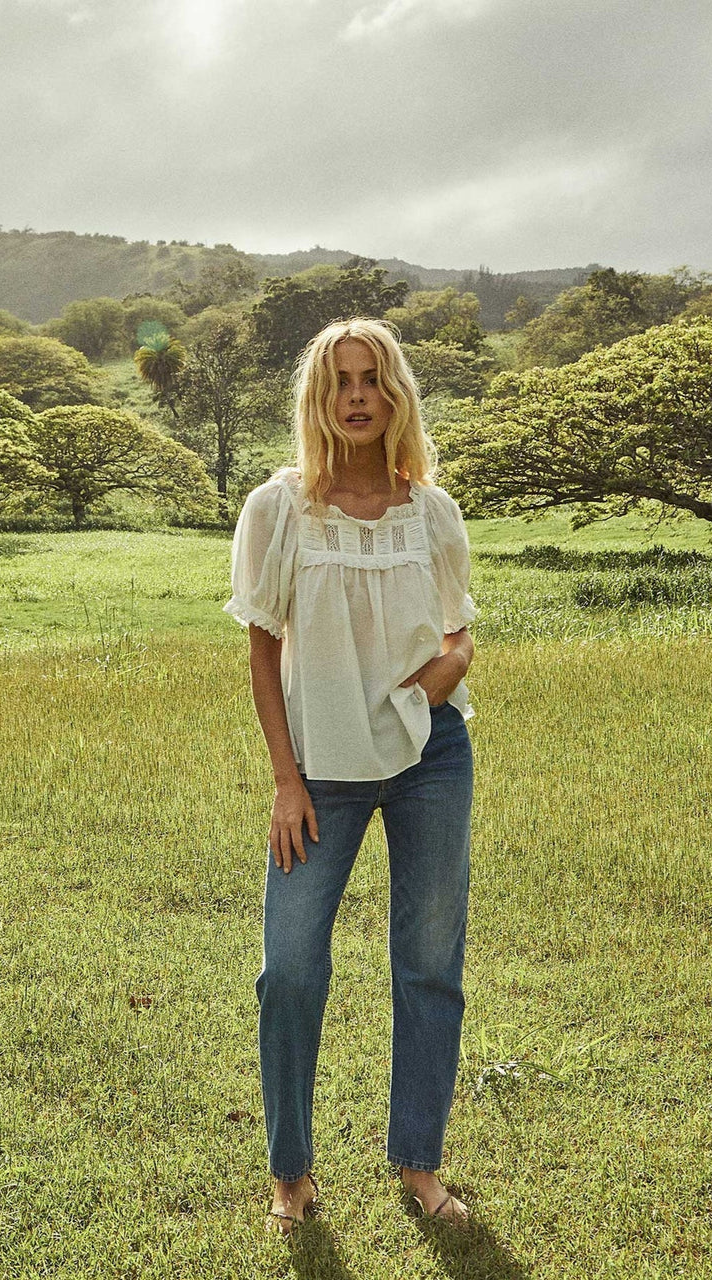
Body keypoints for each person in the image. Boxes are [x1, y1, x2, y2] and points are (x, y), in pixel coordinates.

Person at [223, 316, 478, 1235]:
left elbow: (457, 628)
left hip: (429, 758)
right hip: (319, 770)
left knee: (428, 960)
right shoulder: (278, 509)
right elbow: (261, 651)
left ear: (397, 393)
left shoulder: (432, 511)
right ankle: (291, 1172)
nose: (358, 396)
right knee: (288, 969)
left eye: (373, 380)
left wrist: (452, 665)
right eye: (342, 382)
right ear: (319, 400)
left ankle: (418, 1158)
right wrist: (286, 783)